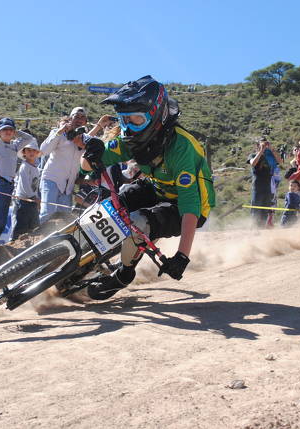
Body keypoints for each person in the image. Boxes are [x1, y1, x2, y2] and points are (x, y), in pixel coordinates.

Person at [80, 75, 215, 300]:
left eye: (136, 119)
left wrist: (182, 256)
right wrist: (89, 154)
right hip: (156, 187)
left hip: (188, 206)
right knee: (105, 211)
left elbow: (190, 204)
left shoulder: (182, 147)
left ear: (156, 116)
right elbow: (85, 168)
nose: (129, 127)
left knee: (138, 222)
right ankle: (80, 260)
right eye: (124, 119)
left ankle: (123, 275)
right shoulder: (130, 140)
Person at [0, 118, 35, 246]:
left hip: (9, 184)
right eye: (4, 129)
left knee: (2, 217)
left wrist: (16, 132)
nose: (7, 132)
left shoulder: (15, 145)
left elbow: (29, 138)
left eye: (10, 129)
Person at [38, 107, 89, 223]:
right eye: (76, 116)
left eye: (82, 117)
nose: (79, 120)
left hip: (68, 186)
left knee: (64, 219)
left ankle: (57, 241)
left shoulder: (86, 139)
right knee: (47, 213)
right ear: (71, 118)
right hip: (52, 179)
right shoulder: (59, 133)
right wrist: (59, 131)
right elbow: (43, 151)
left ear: (86, 121)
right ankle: (42, 240)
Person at [10, 140, 42, 241]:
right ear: (24, 152)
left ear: (37, 153)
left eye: (34, 150)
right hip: (23, 200)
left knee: (33, 224)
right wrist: (33, 197)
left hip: (32, 200)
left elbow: (35, 186)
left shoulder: (36, 169)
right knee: (21, 224)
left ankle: (30, 243)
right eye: (28, 150)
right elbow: (24, 185)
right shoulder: (24, 166)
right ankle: (14, 241)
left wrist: (35, 197)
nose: (31, 153)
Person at [247, 137, 282, 228]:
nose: (264, 146)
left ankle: (262, 228)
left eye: (265, 144)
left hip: (268, 186)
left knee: (265, 210)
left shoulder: (271, 156)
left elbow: (280, 161)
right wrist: (261, 151)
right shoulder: (253, 155)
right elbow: (253, 163)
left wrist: (272, 149)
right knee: (256, 209)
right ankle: (254, 228)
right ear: (257, 146)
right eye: (261, 144)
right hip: (258, 186)